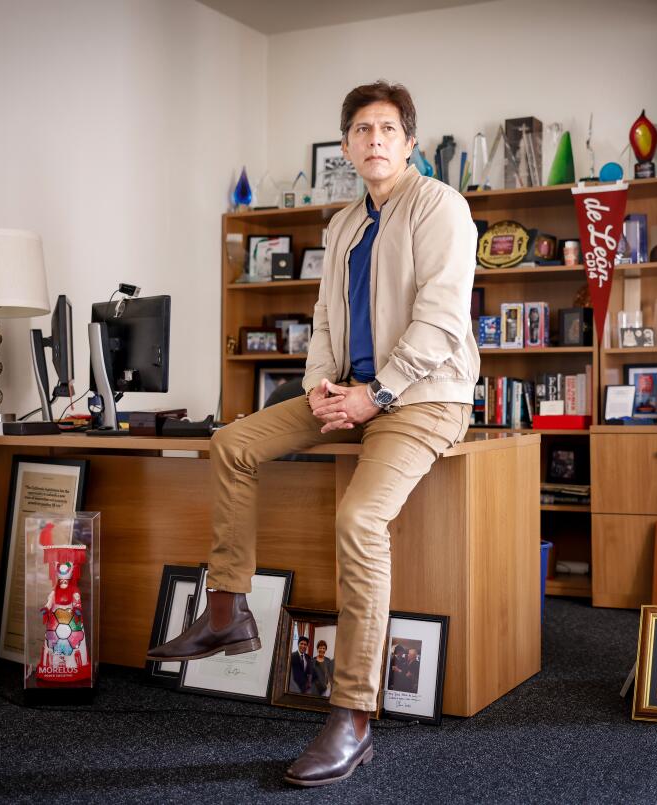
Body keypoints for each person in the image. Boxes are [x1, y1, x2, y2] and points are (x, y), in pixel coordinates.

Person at [148, 79, 477, 787]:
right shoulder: (341, 223)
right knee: (231, 442)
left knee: (360, 518)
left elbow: (442, 319)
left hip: (421, 398)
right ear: (348, 146)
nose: (375, 140)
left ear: (409, 142)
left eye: (388, 128)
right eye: (361, 130)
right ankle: (230, 607)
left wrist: (376, 394)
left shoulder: (441, 207)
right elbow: (326, 319)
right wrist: (323, 390)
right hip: (351, 393)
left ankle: (353, 713)